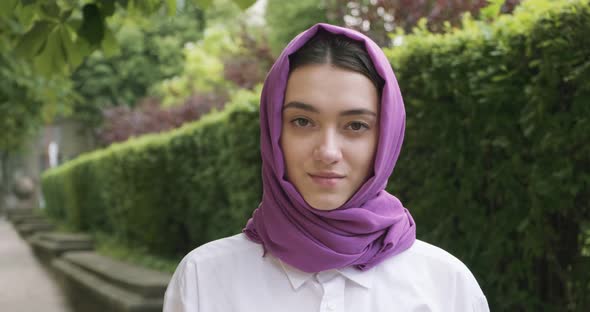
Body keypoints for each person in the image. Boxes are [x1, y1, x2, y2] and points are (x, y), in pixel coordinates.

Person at [163, 23, 489, 312]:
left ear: (387, 138)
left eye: (356, 125)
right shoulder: (203, 280)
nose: (328, 152)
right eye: (303, 121)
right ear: (273, 132)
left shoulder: (446, 286)